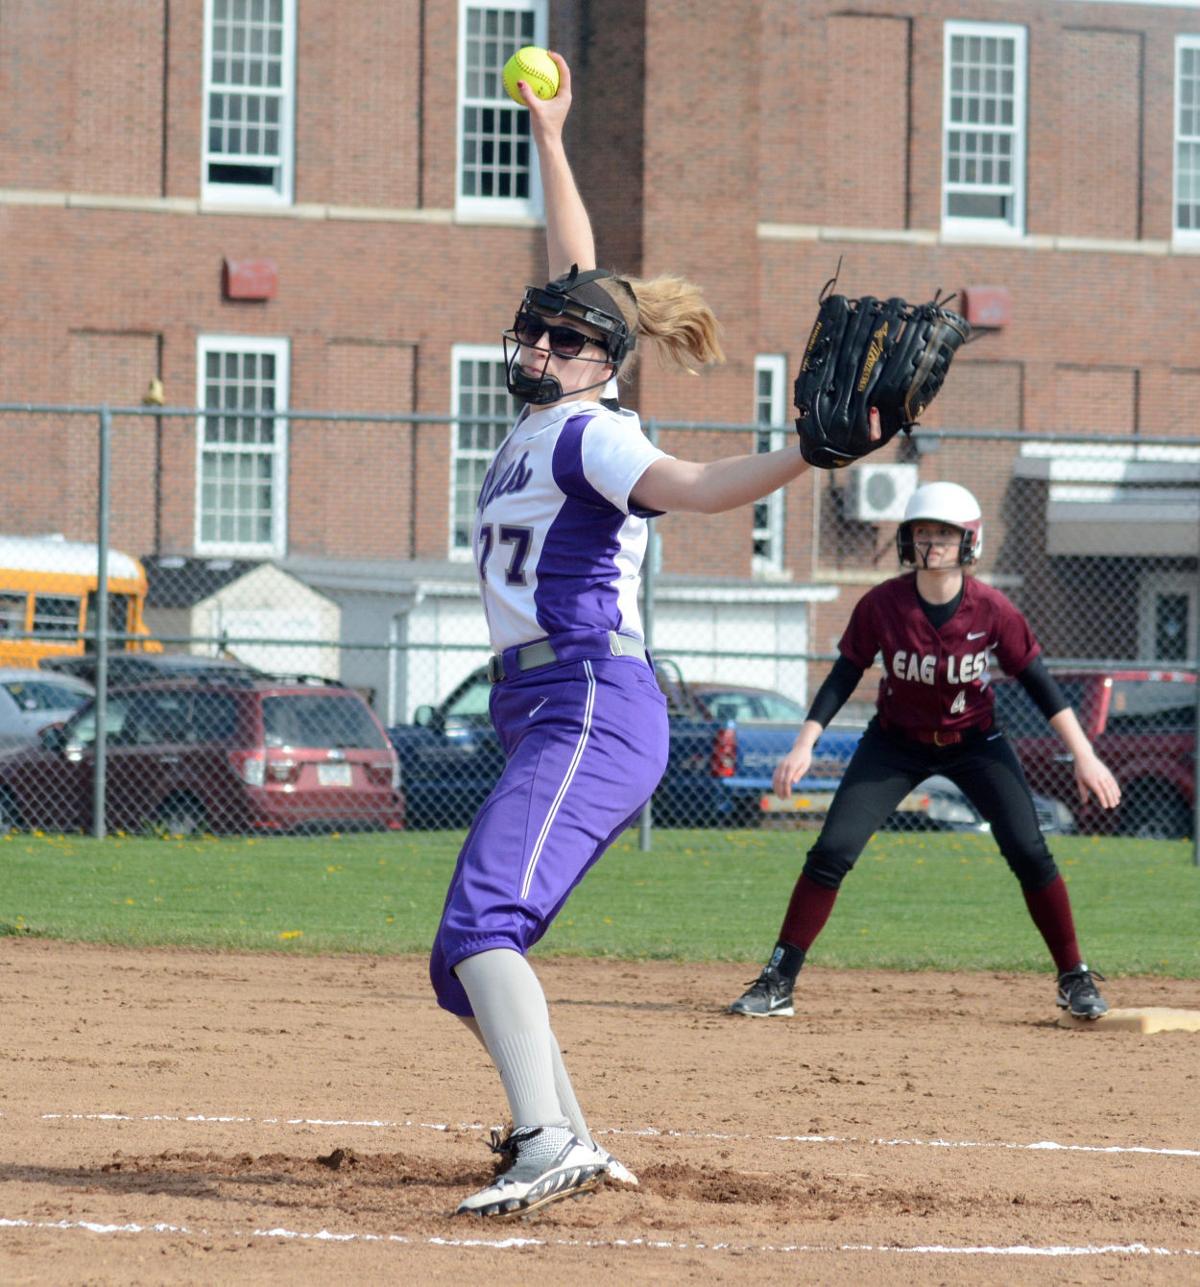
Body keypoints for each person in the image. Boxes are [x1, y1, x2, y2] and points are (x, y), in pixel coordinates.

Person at [432, 53, 873, 1220]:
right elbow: (579, 273)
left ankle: (545, 1143)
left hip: (590, 698)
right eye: (536, 334)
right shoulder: (548, 414)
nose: (542, 350)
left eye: (568, 344)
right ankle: (564, 1132)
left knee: (485, 923)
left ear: (606, 366)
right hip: (543, 708)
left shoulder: (593, 435)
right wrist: (553, 137)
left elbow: (700, 483)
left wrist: (808, 456)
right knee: (462, 958)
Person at [728, 481, 1122, 1022]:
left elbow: (1038, 682)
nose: (930, 543)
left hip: (975, 743)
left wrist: (1084, 754)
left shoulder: (992, 609)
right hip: (895, 744)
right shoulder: (883, 604)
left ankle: (1074, 977)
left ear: (969, 542)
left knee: (1031, 852)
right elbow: (845, 673)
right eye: (920, 532)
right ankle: (779, 979)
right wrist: (804, 742)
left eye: (943, 533)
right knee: (831, 852)